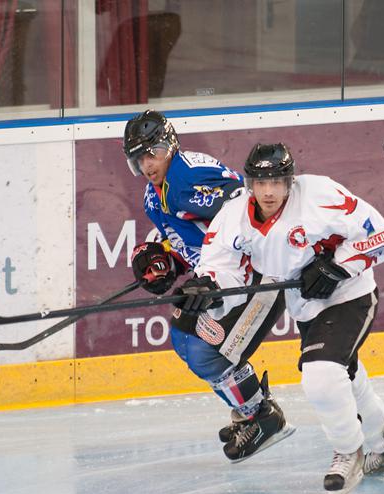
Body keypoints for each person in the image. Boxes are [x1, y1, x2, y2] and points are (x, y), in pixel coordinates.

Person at [175, 143, 384, 494]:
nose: (269, 190)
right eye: (260, 182)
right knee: (344, 374)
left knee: (321, 376)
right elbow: (223, 270)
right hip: (306, 307)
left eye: (277, 181)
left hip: (349, 295)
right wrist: (208, 289)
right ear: (249, 184)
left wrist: (338, 266)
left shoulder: (320, 195)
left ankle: (348, 452)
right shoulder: (233, 216)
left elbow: (382, 235)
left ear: (289, 180)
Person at [123, 110, 296, 462]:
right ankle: (249, 409)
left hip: (258, 277)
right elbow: (194, 238)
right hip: (227, 277)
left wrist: (217, 274)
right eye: (139, 157)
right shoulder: (154, 196)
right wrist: (164, 258)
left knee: (198, 343)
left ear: (168, 145)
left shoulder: (185, 179)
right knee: (187, 337)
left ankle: (263, 416)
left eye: (151, 152)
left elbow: (245, 210)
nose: (146, 164)